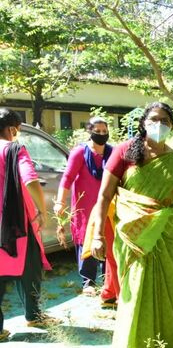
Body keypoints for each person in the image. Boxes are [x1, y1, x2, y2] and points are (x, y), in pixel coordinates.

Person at [89, 102, 173, 348]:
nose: (160, 124)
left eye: (165, 120)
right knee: (135, 294)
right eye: (154, 119)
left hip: (168, 236)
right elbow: (104, 196)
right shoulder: (124, 152)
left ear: (172, 125)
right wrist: (97, 235)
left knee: (167, 293)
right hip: (134, 237)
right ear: (143, 123)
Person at [0, 107, 53, 339]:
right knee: (30, 267)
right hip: (16, 222)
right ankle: (34, 315)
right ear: (13, 129)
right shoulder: (14, 149)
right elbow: (30, 180)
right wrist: (42, 209)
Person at [55, 117, 116, 298]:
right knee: (86, 240)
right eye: (97, 131)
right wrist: (60, 202)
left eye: (104, 131)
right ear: (90, 132)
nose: (102, 134)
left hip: (107, 206)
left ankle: (108, 281)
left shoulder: (112, 152)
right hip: (85, 207)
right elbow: (67, 178)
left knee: (108, 238)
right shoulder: (80, 152)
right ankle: (88, 282)